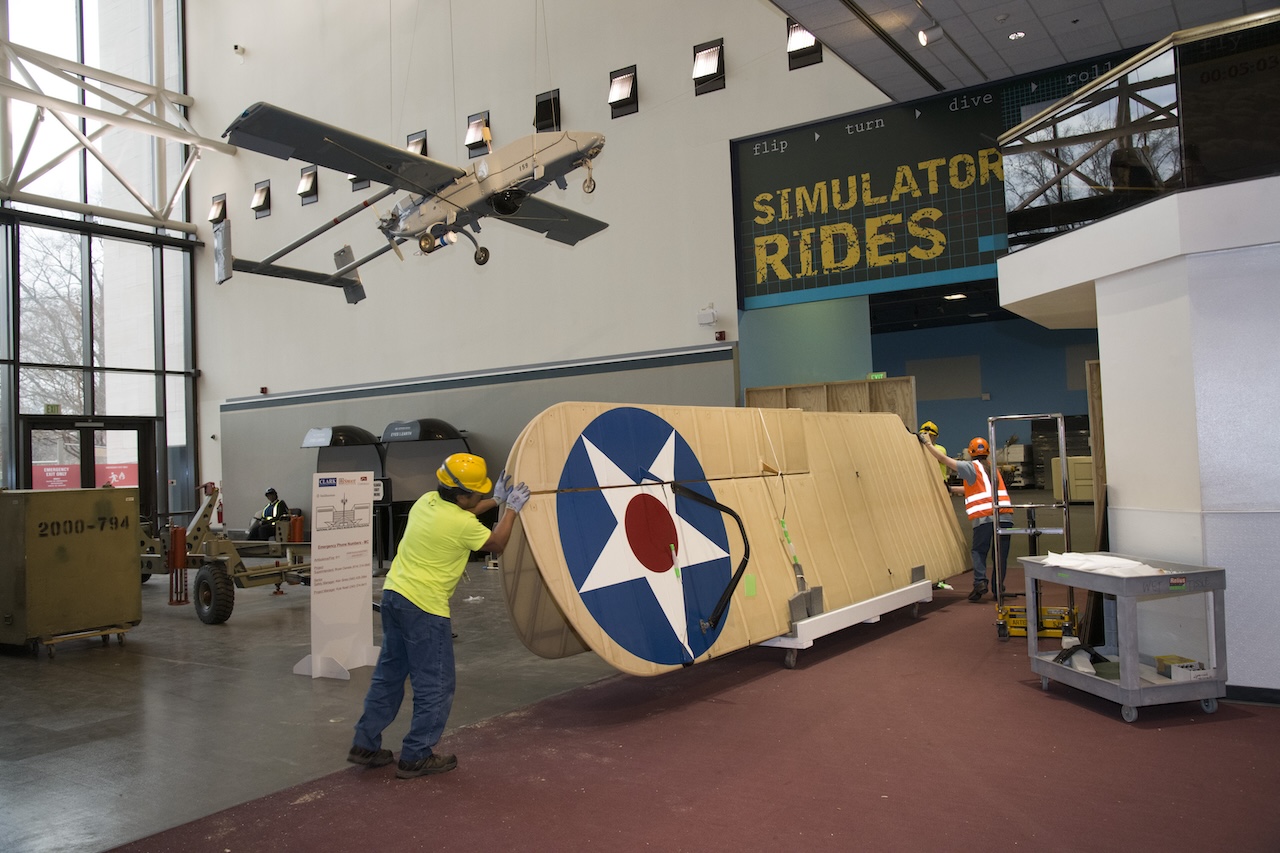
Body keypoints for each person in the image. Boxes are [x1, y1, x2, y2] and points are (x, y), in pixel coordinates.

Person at [347, 452, 529, 779]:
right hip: (425, 608)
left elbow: (468, 511)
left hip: (394, 597)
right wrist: (512, 510)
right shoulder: (462, 524)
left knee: (388, 676)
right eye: (476, 493)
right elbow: (497, 542)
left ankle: (364, 744)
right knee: (436, 684)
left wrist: (495, 500)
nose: (477, 498)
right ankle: (416, 754)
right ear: (460, 494)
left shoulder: (427, 501)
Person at [920, 434, 1014, 602]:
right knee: (1000, 555)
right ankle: (998, 588)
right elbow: (976, 490)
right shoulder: (993, 468)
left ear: (970, 452)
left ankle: (980, 583)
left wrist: (926, 443)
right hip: (1005, 517)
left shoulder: (971, 467)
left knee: (979, 551)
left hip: (984, 518)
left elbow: (943, 459)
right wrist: (952, 490)